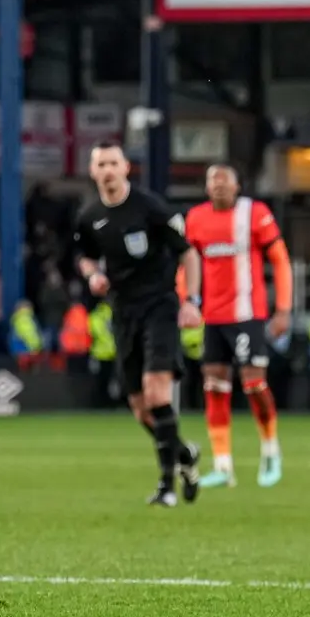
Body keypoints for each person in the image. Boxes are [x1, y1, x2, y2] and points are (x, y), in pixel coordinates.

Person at [73, 141, 202, 507]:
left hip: (160, 306)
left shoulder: (151, 208)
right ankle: (184, 455)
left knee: (157, 393)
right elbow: (85, 255)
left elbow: (188, 252)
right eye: (102, 164)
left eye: (114, 162)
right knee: (140, 407)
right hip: (123, 313)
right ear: (93, 170)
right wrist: (92, 275)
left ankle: (166, 488)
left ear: (126, 167)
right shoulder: (90, 216)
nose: (108, 170)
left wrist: (191, 301)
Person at [184, 165, 293, 489]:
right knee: (214, 387)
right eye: (212, 182)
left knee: (254, 385)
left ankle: (271, 451)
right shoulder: (196, 219)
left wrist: (283, 309)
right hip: (213, 318)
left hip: (248, 314)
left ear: (237, 186)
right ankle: (223, 466)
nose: (218, 187)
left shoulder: (254, 213)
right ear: (205, 188)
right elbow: (186, 262)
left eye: (224, 182)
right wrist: (187, 300)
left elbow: (281, 259)